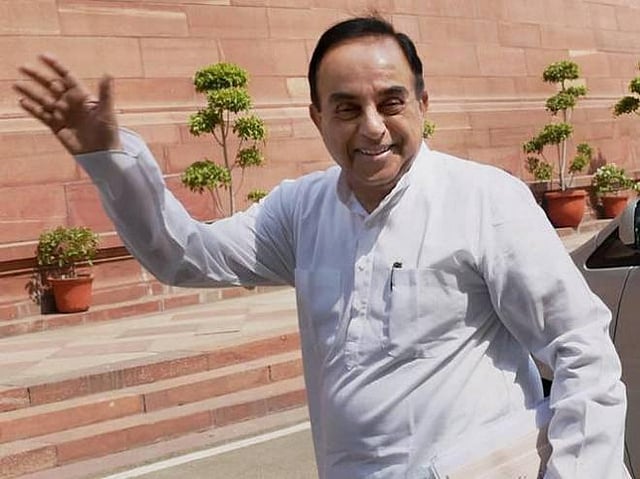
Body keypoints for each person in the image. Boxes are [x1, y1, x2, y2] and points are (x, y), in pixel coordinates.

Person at [13, 16, 627, 479]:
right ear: (317, 118)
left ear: (422, 104)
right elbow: (184, 255)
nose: (372, 127)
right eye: (347, 108)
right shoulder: (301, 210)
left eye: (391, 102)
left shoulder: (485, 200)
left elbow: (581, 348)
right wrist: (111, 158)